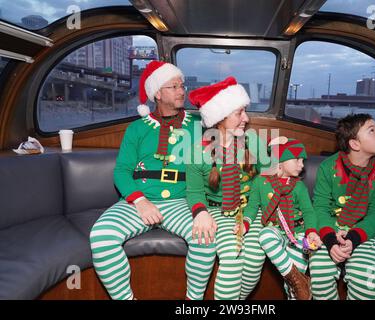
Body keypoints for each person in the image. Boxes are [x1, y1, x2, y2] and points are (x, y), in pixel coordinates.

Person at [89, 60, 216, 300]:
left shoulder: (199, 125)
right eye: (174, 86)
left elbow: (225, 139)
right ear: (157, 93)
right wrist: (140, 201)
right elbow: (122, 171)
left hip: (182, 201)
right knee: (101, 237)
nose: (182, 91)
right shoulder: (137, 129)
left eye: (182, 86)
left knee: (206, 239)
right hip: (139, 201)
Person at [186, 76, 268, 300]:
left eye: (245, 111)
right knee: (232, 259)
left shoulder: (254, 141)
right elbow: (194, 192)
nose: (246, 118)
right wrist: (200, 212)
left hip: (251, 210)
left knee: (254, 260)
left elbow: (269, 180)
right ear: (220, 118)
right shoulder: (196, 150)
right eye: (239, 113)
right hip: (217, 211)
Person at [309, 113, 375, 300]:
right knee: (319, 269)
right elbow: (321, 208)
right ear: (355, 144)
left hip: (365, 232)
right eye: (373, 131)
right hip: (330, 229)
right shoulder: (328, 168)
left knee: (365, 275)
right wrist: (331, 241)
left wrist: (354, 238)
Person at [235, 137, 322, 300]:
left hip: (299, 234)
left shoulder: (299, 186)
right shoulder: (260, 182)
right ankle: (296, 277)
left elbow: (309, 211)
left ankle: (296, 280)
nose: (302, 165)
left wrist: (311, 232)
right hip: (276, 230)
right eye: (297, 160)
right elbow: (253, 206)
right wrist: (245, 223)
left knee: (296, 292)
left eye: (303, 161)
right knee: (265, 235)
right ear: (280, 162)